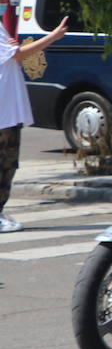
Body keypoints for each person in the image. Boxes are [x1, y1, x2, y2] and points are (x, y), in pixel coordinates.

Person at [0, 16, 70, 233]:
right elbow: (17, 55)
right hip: (4, 114)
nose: (2, 3)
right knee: (4, 164)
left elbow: (13, 56)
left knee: (7, 165)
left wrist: (17, 50)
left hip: (8, 112)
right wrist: (54, 36)